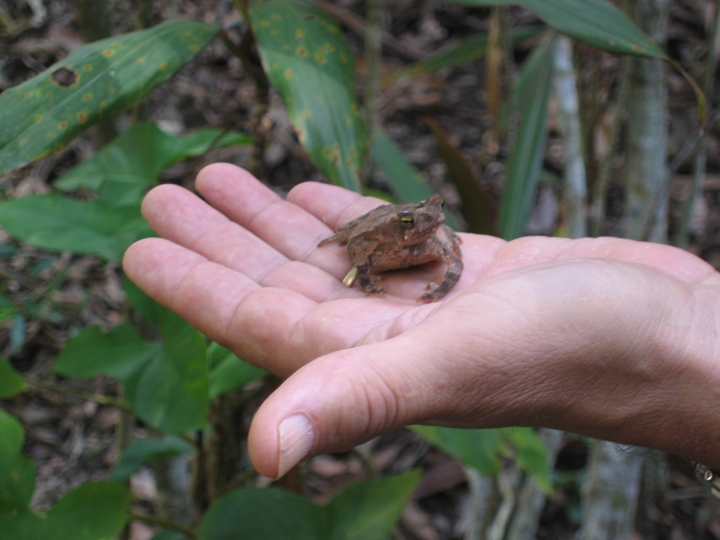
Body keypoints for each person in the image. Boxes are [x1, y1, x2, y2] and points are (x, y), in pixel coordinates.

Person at [122, 163, 720, 479]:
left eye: (436, 216)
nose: (433, 226)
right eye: (418, 221)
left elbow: (451, 256)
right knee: (346, 234)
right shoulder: (384, 239)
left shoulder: (434, 235)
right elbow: (361, 252)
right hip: (373, 237)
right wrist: (370, 277)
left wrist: (442, 286)